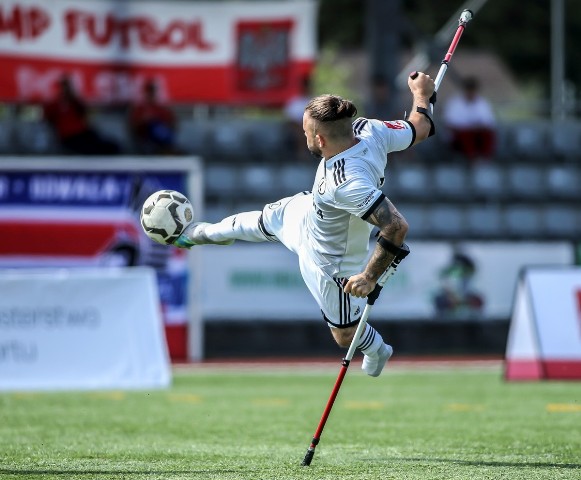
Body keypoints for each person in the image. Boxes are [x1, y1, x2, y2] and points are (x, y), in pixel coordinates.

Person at [175, 72, 435, 377]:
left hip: (329, 260)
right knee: (252, 222)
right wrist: (422, 94)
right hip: (308, 212)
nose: (305, 137)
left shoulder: (347, 183)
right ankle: (197, 234)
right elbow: (421, 127)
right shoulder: (370, 128)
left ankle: (378, 348)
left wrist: (368, 276)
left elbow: (396, 226)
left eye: (306, 132)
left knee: (344, 336)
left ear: (320, 139)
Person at [43, 75, 120, 156]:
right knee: (90, 150)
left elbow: (83, 111)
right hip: (69, 136)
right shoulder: (55, 104)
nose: (65, 90)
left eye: (67, 86)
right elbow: (48, 116)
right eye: (63, 87)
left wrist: (73, 99)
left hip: (83, 132)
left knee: (109, 146)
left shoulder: (74, 101)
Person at [442, 76, 496, 161]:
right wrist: (468, 127)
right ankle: (472, 159)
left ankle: (486, 159)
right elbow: (450, 123)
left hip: (477, 134)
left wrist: (476, 127)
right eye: (469, 89)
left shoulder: (482, 103)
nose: (470, 92)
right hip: (459, 137)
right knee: (466, 135)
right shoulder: (454, 103)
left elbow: (488, 122)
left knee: (488, 135)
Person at [128, 79, 178, 155]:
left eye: (153, 92)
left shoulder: (162, 109)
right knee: (152, 125)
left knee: (157, 126)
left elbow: (172, 124)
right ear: (145, 93)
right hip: (145, 137)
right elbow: (133, 126)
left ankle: (165, 145)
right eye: (149, 92)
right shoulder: (140, 109)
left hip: (162, 136)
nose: (151, 94)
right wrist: (145, 121)